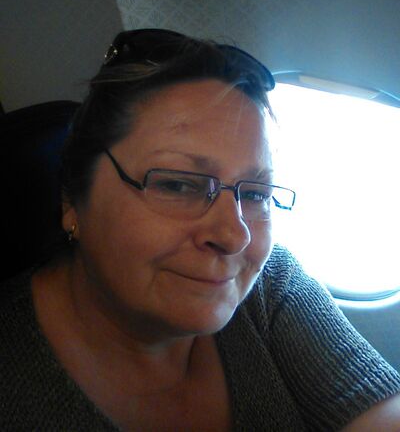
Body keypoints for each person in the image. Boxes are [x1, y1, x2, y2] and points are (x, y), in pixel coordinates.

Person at [1, 29, 400, 431]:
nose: (234, 237)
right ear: (72, 199)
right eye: (177, 185)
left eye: (255, 193)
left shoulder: (271, 283)